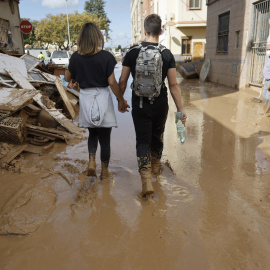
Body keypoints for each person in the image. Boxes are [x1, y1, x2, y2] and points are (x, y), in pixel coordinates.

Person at [119, 14, 187, 197]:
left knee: (142, 141)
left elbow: (122, 81)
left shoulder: (132, 52)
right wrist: (181, 109)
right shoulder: (166, 53)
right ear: (161, 31)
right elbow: (173, 85)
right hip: (160, 104)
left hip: (139, 104)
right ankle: (156, 170)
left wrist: (121, 100)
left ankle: (146, 181)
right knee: (157, 136)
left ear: (144, 31)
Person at [65, 22, 129, 180]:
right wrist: (121, 100)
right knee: (105, 137)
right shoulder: (106, 57)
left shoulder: (75, 57)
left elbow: (67, 78)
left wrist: (73, 78)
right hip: (102, 96)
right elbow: (112, 83)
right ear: (97, 38)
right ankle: (105, 172)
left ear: (82, 39)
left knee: (92, 133)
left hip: (86, 97)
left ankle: (92, 161)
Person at [263, 43, 270, 112]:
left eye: (269, 49)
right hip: (267, 80)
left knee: (268, 97)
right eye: (267, 49)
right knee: (264, 96)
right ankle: (265, 110)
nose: (268, 51)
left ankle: (268, 112)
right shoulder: (268, 58)